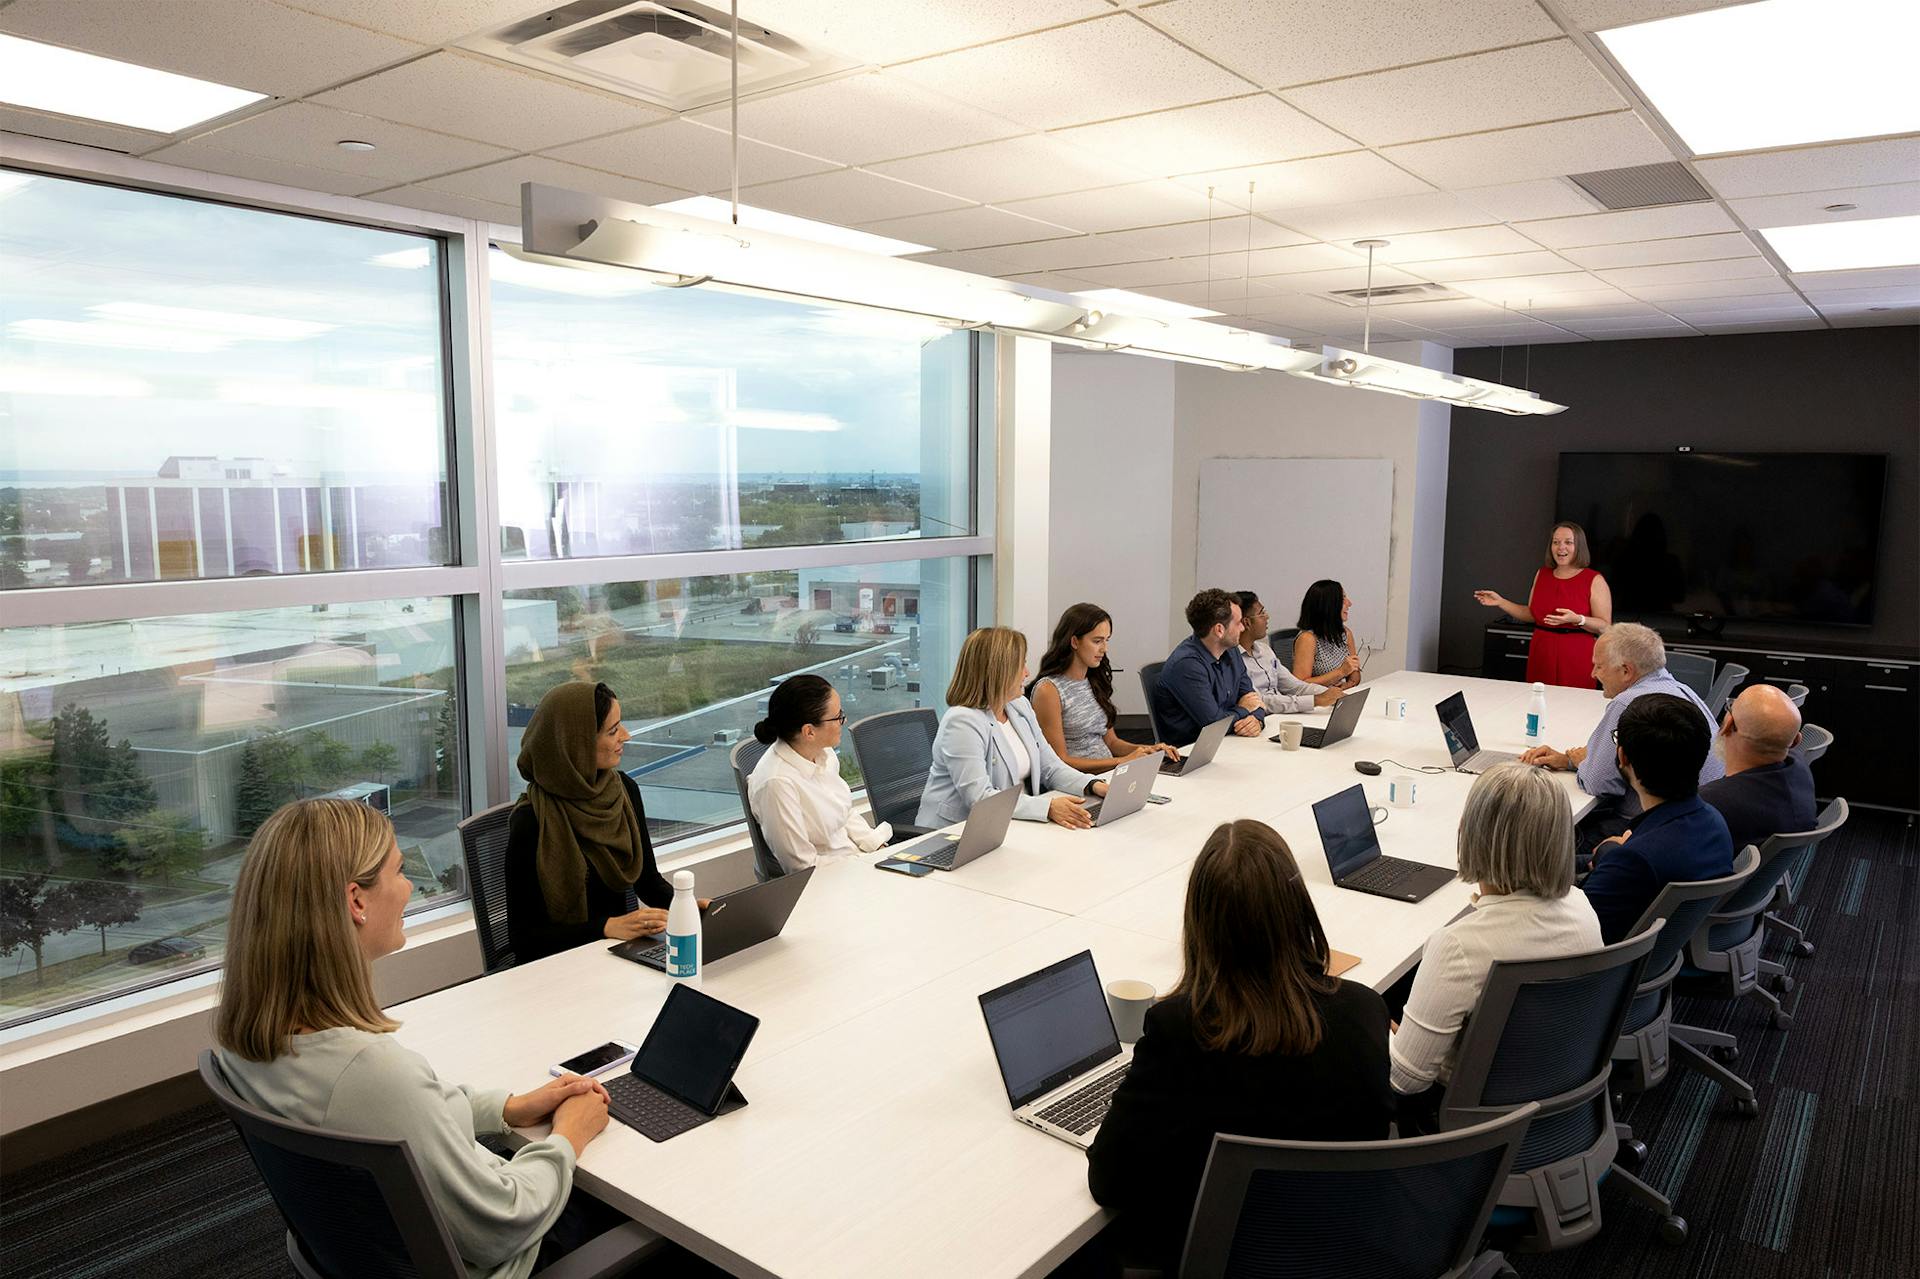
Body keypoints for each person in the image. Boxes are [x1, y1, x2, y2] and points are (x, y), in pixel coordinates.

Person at [214, 798, 619, 1279]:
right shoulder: (371, 1074)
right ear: (356, 901)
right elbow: (502, 1225)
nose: (410, 888)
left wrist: (505, 1108)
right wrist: (567, 1137)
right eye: (400, 871)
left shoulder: (250, 1039)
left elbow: (404, 1118)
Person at [1087, 819, 1393, 1271]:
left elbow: (1109, 1182)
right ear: (1297, 908)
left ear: (1199, 922)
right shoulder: (1366, 1010)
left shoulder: (1180, 1030)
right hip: (1340, 1253)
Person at [1389, 763, 1602, 1129]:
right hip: (1557, 1090)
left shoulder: (1459, 946)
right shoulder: (1582, 907)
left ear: (1471, 836)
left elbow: (1405, 1081)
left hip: (1473, 1124)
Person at [505, 681, 676, 964]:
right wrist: (606, 927)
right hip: (558, 968)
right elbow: (525, 939)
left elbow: (648, 882)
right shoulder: (532, 821)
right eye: (613, 731)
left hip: (614, 958)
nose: (626, 736)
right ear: (577, 743)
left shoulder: (624, 791)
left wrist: (688, 907)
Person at [1519, 622, 1724, 854]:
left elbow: (1600, 783)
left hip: (1647, 831)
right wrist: (1569, 760)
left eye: (1599, 666)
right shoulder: (1682, 691)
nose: (1593, 674)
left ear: (1626, 671)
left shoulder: (1629, 703)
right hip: (1694, 828)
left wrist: (1580, 762)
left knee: (1537, 838)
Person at [917, 626, 1108, 829]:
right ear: (999, 671)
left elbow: (1050, 767)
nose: (1027, 673)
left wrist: (1092, 784)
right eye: (1021, 665)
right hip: (956, 834)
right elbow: (980, 797)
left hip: (1010, 824)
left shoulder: (1019, 706)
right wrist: (1047, 807)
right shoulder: (962, 721)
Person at [1582, 694, 1735, 943]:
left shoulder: (1635, 860)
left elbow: (1576, 928)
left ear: (1622, 757)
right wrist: (1610, 852)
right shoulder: (1714, 821)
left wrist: (1613, 855)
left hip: (1603, 967)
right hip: (1668, 947)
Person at [747, 674, 892, 873]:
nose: (844, 720)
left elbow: (844, 812)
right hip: (832, 880)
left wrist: (876, 846)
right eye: (838, 716)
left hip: (859, 864)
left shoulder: (823, 754)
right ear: (809, 732)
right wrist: (861, 866)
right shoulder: (777, 784)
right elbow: (801, 866)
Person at [1028, 602, 1178, 773]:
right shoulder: (1049, 690)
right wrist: (1122, 762)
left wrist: (1148, 750)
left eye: (1106, 640)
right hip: (1081, 783)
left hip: (1111, 772)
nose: (1104, 649)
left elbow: (1112, 742)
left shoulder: (1093, 680)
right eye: (1097, 641)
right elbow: (1059, 761)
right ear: (1075, 642)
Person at [1474, 522, 1614, 688]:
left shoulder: (1594, 579)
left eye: (1568, 542)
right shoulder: (1542, 574)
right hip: (1541, 650)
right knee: (1538, 702)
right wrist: (1501, 602)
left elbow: (1605, 626)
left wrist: (1578, 619)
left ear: (1579, 547)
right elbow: (1532, 614)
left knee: (1573, 705)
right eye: (1556, 542)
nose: (1561, 547)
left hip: (1576, 653)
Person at [1699, 684, 1818, 852]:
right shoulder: (1800, 769)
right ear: (1796, 741)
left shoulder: (1709, 804)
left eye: (1730, 707)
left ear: (1728, 725)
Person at [1153, 588, 1269, 745]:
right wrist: (1245, 710)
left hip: (1229, 741)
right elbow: (1214, 725)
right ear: (1219, 630)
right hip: (1192, 752)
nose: (1243, 628)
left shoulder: (1231, 650)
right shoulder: (1187, 665)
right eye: (1238, 623)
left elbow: (1253, 699)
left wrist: (1257, 719)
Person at [1234, 591, 1343, 715]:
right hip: (1258, 718)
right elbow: (1260, 701)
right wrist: (1315, 701)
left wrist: (1330, 694)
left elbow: (1294, 686)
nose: (1267, 617)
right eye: (1261, 613)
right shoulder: (1232, 660)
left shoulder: (1265, 651)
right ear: (1246, 622)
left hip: (1280, 714)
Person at [1290, 579, 1363, 689]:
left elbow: (1355, 677)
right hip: (1315, 701)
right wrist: (1341, 672)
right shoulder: (1308, 639)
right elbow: (1300, 685)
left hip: (1336, 697)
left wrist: (1347, 684)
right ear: (1328, 605)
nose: (1349, 603)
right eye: (1342, 599)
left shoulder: (1345, 634)